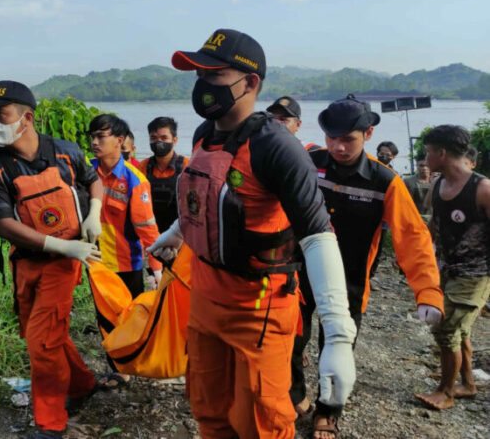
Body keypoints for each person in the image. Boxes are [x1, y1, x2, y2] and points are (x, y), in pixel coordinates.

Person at [148, 28, 357, 439]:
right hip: (205, 295)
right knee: (209, 408)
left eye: (215, 75)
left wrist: (337, 331)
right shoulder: (204, 134)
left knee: (261, 421)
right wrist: (175, 231)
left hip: (258, 304)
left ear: (251, 82)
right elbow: (207, 199)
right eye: (198, 75)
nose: (203, 86)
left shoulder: (276, 148)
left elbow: (317, 234)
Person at [292, 94, 443, 438]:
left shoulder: (384, 180)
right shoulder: (307, 162)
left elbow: (413, 238)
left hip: (350, 279)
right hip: (298, 272)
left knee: (337, 345)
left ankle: (328, 411)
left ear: (368, 135)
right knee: (288, 341)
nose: (338, 147)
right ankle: (295, 398)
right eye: (332, 138)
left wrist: (428, 291)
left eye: (348, 139)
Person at [0, 81, 102, 439]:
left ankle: (50, 423)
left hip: (64, 264)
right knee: (39, 332)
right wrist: (58, 246)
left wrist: (96, 213)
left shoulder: (65, 152)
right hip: (27, 260)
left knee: (41, 341)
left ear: (27, 118)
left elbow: (93, 180)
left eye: (1, 115)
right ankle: (83, 384)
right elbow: (4, 224)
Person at [415, 126, 490, 410]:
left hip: (476, 275)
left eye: (429, 151)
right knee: (462, 331)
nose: (426, 157)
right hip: (446, 270)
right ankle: (467, 384)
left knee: (447, 329)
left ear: (442, 153)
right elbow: (434, 224)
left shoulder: (482, 189)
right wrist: (420, 256)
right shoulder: (437, 185)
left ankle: (445, 392)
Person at [88, 114, 163, 387]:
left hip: (126, 262)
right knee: (104, 318)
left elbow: (147, 230)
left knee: (128, 316)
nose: (94, 142)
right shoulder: (85, 171)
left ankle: (133, 362)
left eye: (101, 137)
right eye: (92, 137)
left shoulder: (134, 180)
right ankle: (119, 369)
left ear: (119, 141)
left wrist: (156, 269)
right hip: (95, 263)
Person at [138, 116, 189, 233]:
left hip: (178, 231)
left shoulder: (186, 166)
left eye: (164, 137)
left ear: (174, 140)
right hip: (150, 229)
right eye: (154, 138)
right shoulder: (143, 167)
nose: (158, 142)